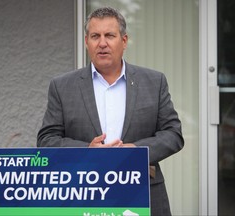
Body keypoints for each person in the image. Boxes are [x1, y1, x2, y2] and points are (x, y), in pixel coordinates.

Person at [37, 6, 184, 216]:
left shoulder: (153, 82)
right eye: (95, 36)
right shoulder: (62, 86)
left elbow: (173, 134)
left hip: (144, 193)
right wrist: (87, 150)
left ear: (124, 41)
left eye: (110, 35)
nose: (102, 43)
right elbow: (47, 139)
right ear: (86, 41)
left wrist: (136, 151)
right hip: (84, 193)